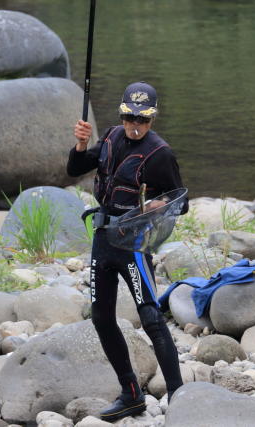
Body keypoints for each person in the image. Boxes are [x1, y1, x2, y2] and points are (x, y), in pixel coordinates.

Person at [67, 81, 188, 422]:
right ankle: (131, 395)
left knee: (150, 318)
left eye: (142, 119)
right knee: (102, 318)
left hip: (133, 243)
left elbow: (182, 201)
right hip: (102, 240)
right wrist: (80, 145)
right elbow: (75, 169)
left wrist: (159, 204)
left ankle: (180, 398)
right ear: (121, 114)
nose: (135, 125)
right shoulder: (110, 136)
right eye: (129, 117)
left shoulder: (160, 153)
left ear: (152, 118)